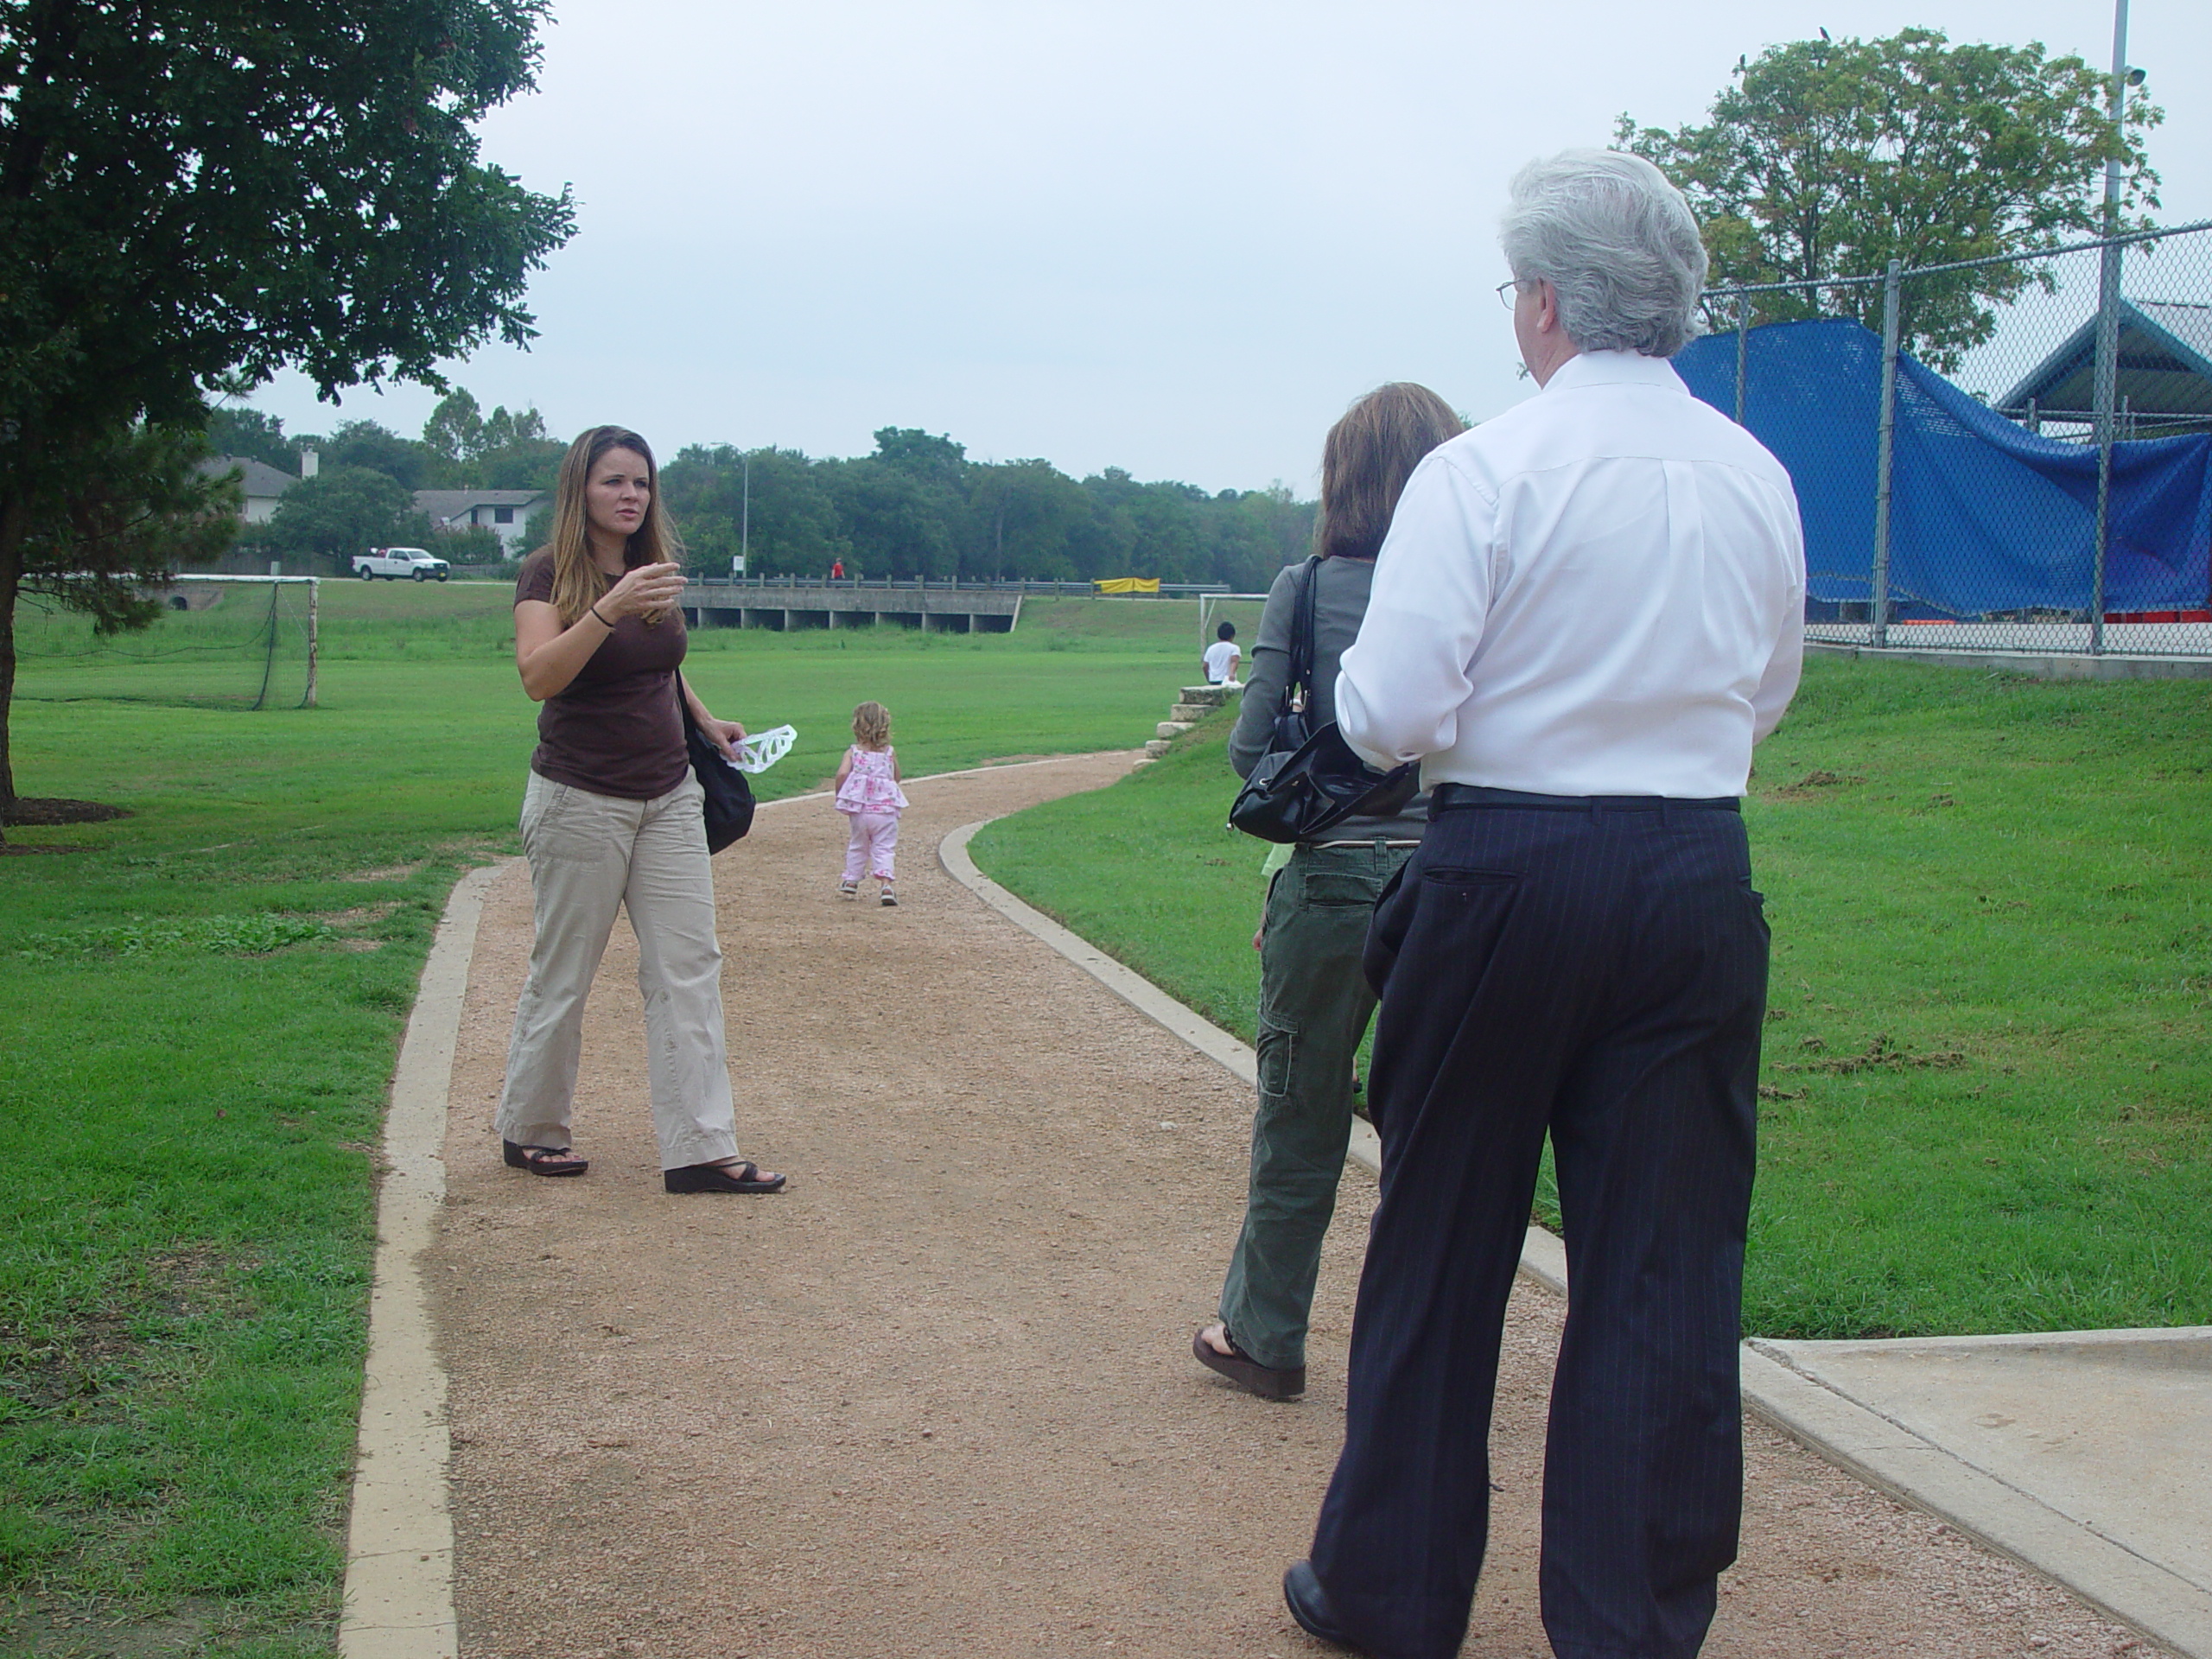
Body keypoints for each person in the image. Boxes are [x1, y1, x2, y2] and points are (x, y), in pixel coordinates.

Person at [1282, 151, 1804, 1659]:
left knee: (1442, 1237)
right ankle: (1630, 1620)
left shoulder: (1485, 471)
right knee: (1664, 1262)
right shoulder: (1752, 477)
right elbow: (1764, 692)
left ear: (1551, 299)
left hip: (1504, 871)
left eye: (1519, 286)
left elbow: (1389, 708)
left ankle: (1387, 1591)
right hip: (1694, 877)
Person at [1192, 383, 1463, 1404]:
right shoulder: (1485, 580)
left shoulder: (1303, 588)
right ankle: (1420, 1361)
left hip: (1336, 875)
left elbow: (1248, 748)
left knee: (1299, 1110)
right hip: (1454, 873)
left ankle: (1264, 1337)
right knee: (1438, 1126)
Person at [498, 424, 787, 1198]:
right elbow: (538, 676)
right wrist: (608, 610)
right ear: (580, 491)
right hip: (579, 801)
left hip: (668, 798)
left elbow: (660, 669)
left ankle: (700, 1147)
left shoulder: (648, 569)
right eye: (614, 482)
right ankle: (533, 1127)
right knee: (565, 973)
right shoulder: (546, 574)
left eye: (641, 483)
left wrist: (705, 719)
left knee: (689, 969)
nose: (631, 496)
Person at [834, 700, 908, 906]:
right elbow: (897, 777)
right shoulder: (889, 753)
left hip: (861, 811)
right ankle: (886, 885)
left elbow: (842, 774)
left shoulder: (853, 752)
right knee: (884, 847)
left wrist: (842, 793)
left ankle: (851, 879)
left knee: (858, 844)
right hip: (885, 811)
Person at [1202, 620, 1242, 685]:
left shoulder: (1211, 649)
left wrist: (1209, 678)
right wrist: (1231, 674)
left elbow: (1205, 666)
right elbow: (1234, 661)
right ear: (1232, 636)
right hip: (1227, 680)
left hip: (1213, 680)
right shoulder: (1234, 648)